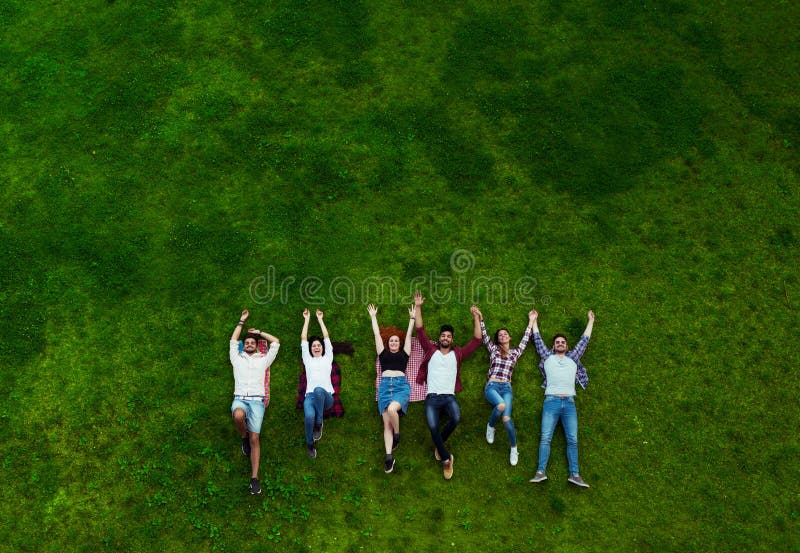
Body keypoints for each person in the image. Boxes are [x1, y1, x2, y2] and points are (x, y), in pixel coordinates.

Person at [413, 290, 481, 480]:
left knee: (456, 418)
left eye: (448, 336)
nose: (445, 338)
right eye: (443, 336)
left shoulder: (458, 353)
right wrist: (418, 307)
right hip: (432, 397)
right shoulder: (431, 349)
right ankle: (445, 458)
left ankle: (439, 445)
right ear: (439, 338)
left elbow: (477, 340)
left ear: (452, 339)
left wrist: (476, 317)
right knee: (433, 427)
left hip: (449, 397)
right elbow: (420, 330)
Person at [528, 309, 595, 488]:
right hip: (551, 402)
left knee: (572, 439)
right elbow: (537, 340)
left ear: (567, 346)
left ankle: (575, 475)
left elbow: (584, 341)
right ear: (553, 345)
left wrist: (591, 321)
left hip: (570, 403)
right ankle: (540, 472)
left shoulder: (573, 357)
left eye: (563, 342)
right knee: (545, 438)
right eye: (557, 342)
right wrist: (533, 320)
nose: (560, 344)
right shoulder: (547, 356)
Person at [472, 306, 535, 466]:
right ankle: (490, 426)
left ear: (509, 337)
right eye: (500, 335)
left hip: (506, 388)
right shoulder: (493, 349)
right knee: (500, 405)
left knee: (507, 418)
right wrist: (480, 316)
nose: (503, 335)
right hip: (492, 386)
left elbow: (525, 340)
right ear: (498, 340)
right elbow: (484, 335)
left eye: (505, 334)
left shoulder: (515, 353)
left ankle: (514, 448)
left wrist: (531, 321)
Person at [229, 309, 280, 495]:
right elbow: (233, 341)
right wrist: (241, 321)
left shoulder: (264, 360)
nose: (249, 344)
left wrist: (259, 333)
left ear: (257, 346)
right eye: (247, 342)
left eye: (253, 343)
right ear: (244, 346)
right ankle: (243, 435)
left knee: (255, 438)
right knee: (238, 415)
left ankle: (254, 478)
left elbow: (275, 342)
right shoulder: (237, 358)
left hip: (257, 401)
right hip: (240, 399)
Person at [367, 303, 415, 473]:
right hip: (385, 388)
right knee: (386, 424)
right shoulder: (383, 354)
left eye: (396, 340)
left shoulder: (404, 354)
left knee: (393, 411)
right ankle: (389, 457)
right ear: (388, 343)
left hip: (401, 387)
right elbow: (376, 335)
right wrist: (373, 317)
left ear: (399, 344)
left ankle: (397, 434)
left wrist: (412, 319)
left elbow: (409, 336)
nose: (394, 342)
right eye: (391, 340)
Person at [300, 308, 335, 459]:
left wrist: (320, 319)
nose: (316, 347)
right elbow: (303, 339)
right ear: (310, 349)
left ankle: (319, 423)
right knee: (308, 417)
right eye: (313, 346)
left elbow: (326, 338)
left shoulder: (328, 357)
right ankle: (310, 443)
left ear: (322, 348)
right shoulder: (307, 359)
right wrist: (306, 319)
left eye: (318, 345)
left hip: (326, 398)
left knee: (319, 389)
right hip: (310, 398)